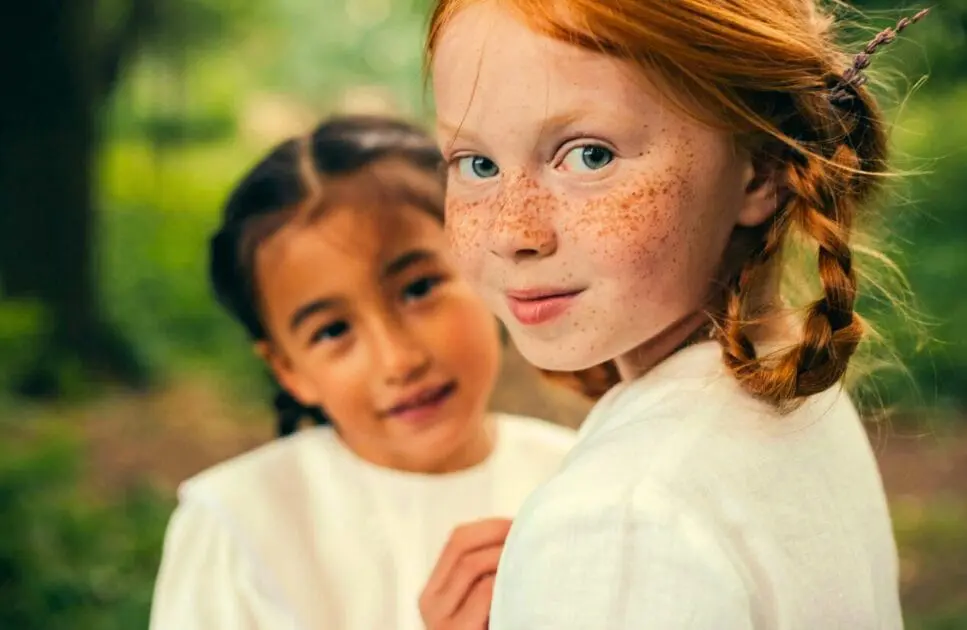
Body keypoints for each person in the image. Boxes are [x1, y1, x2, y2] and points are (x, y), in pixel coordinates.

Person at [426, 1, 930, 627]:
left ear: (761, 171)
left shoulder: (620, 520)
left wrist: (589, 568)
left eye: (590, 155)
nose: (513, 231)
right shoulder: (792, 387)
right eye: (476, 164)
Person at [148, 115, 576, 630]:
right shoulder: (238, 524)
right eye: (332, 332)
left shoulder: (579, 479)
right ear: (288, 369)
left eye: (418, 290)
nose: (399, 360)